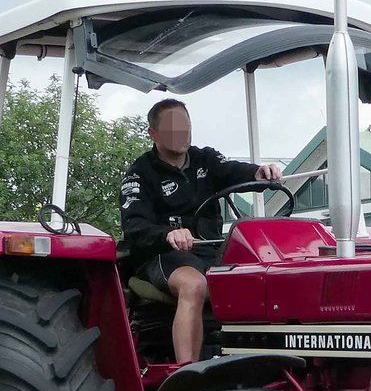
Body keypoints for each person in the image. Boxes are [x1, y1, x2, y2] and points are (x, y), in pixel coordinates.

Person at [120, 98, 282, 363]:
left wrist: (259, 172)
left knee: (262, 276)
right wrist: (167, 234)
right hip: (163, 254)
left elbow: (232, 170)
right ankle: (187, 372)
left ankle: (260, 362)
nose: (181, 133)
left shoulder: (205, 159)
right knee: (194, 285)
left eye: (185, 126)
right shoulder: (139, 174)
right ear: (153, 134)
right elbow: (134, 226)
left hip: (209, 250)